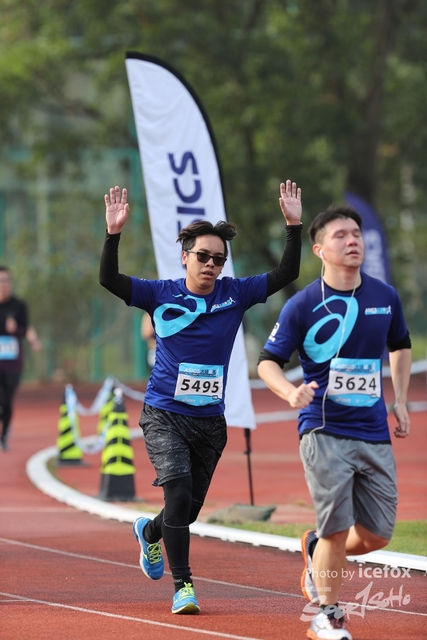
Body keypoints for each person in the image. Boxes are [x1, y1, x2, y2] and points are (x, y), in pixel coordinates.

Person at [99, 181, 303, 614]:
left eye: (218, 259)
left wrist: (293, 226)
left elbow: (286, 274)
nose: (211, 265)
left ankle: (150, 533)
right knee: (176, 494)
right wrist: (113, 234)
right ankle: (184, 586)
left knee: (186, 511)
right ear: (185, 256)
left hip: (210, 421)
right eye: (203, 257)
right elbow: (109, 279)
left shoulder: (235, 294)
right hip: (164, 413)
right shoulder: (159, 293)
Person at [257, 205, 411, 640]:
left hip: (374, 430)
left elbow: (400, 345)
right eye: (341, 235)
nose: (353, 240)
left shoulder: (385, 297)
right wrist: (290, 392)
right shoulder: (303, 304)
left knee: (377, 535)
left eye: (356, 233)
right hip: (323, 429)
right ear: (320, 249)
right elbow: (267, 362)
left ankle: (315, 547)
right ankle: (326, 614)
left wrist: (400, 400)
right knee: (337, 527)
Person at [0, 266, 29, 451]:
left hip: (12, 364)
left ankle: (3, 437)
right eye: (1, 281)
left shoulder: (19, 306)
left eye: (7, 281)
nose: (4, 285)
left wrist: (15, 330)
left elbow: (25, 330)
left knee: (7, 401)